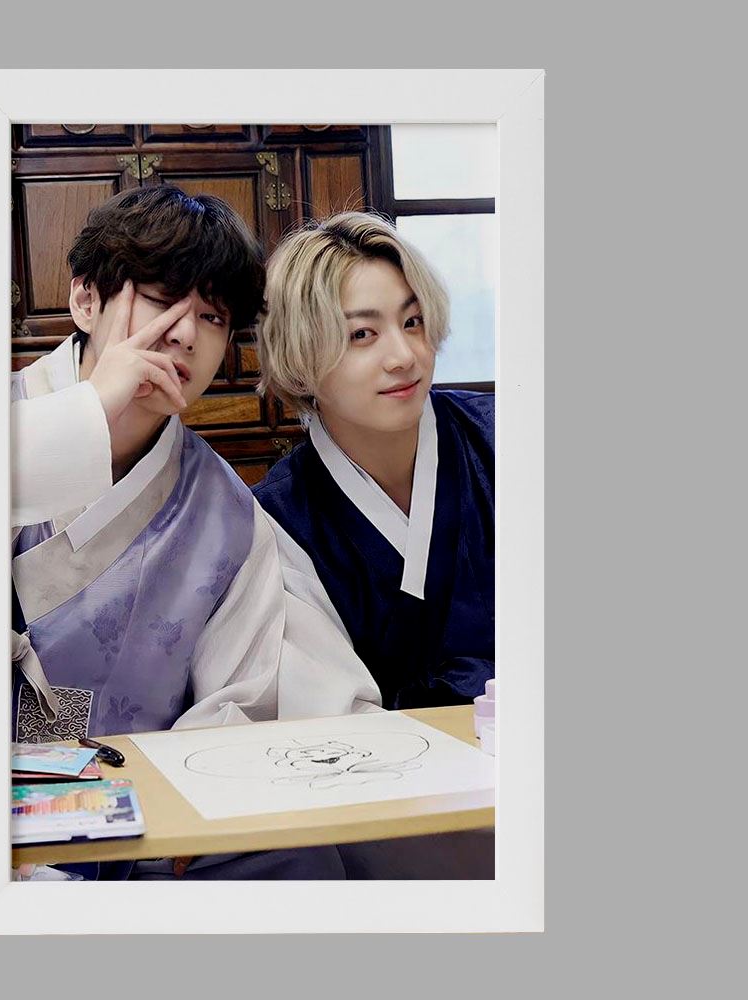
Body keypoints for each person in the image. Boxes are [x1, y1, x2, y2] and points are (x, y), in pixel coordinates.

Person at [9, 187, 381, 881]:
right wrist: (90, 410)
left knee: (302, 865)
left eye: (211, 316)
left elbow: (246, 694)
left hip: (132, 828)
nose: (183, 334)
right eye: (159, 298)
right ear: (85, 299)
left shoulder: (223, 510)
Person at [250, 212, 495, 880]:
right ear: (303, 358)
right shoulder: (278, 521)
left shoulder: (509, 442)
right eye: (363, 334)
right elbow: (338, 727)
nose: (404, 355)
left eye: (412, 322)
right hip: (394, 815)